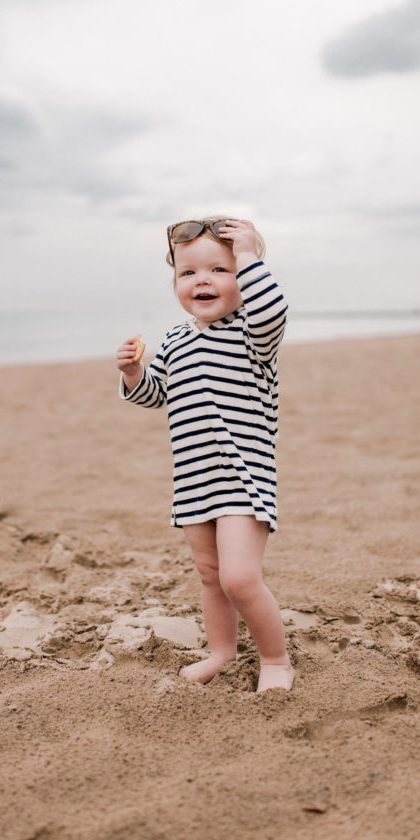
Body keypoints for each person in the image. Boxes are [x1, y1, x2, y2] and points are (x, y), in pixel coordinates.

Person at [116, 217, 294, 692]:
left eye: (221, 269)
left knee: (239, 578)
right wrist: (135, 374)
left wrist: (251, 255)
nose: (203, 281)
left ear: (246, 278)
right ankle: (222, 651)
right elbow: (158, 395)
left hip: (243, 478)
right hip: (194, 479)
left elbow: (273, 310)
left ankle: (275, 661)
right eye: (188, 273)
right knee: (211, 578)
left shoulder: (253, 335)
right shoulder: (175, 339)